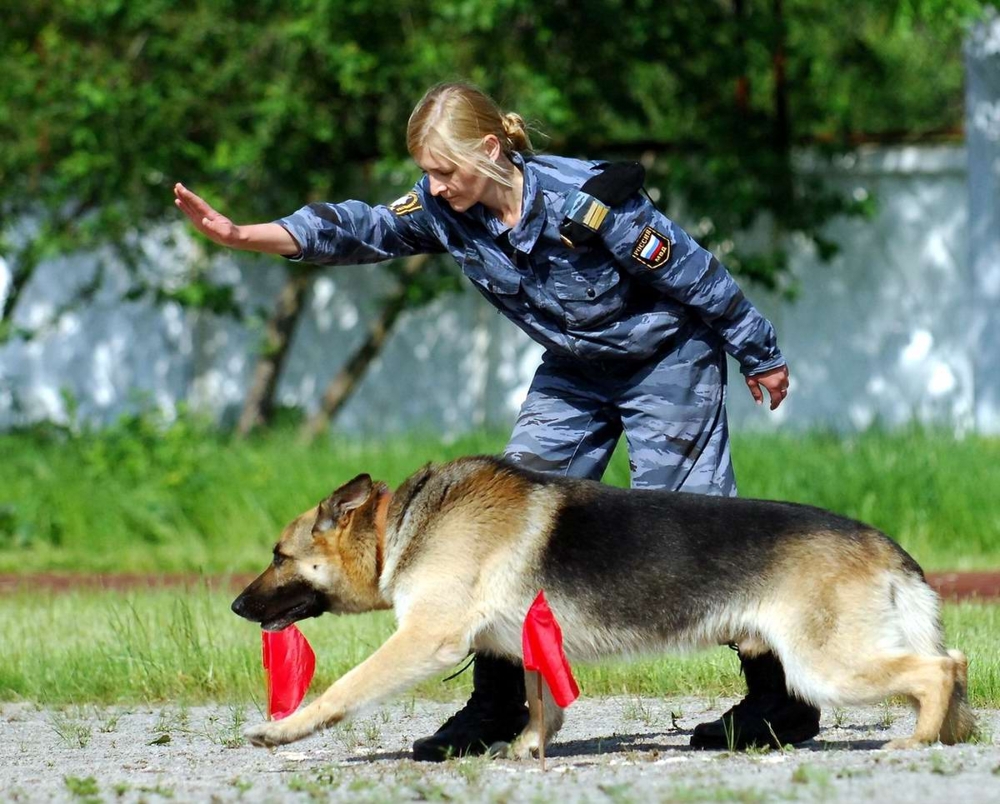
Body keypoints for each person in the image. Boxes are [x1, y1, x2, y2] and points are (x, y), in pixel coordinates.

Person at [174, 81, 820, 759]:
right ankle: (495, 708)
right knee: (498, 525)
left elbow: (695, 275)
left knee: (694, 524)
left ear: (489, 150)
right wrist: (244, 234)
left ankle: (781, 703)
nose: (433, 184)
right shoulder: (443, 207)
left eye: (444, 170)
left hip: (666, 360)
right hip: (574, 370)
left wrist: (760, 354)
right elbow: (360, 225)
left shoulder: (591, 205)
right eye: (426, 170)